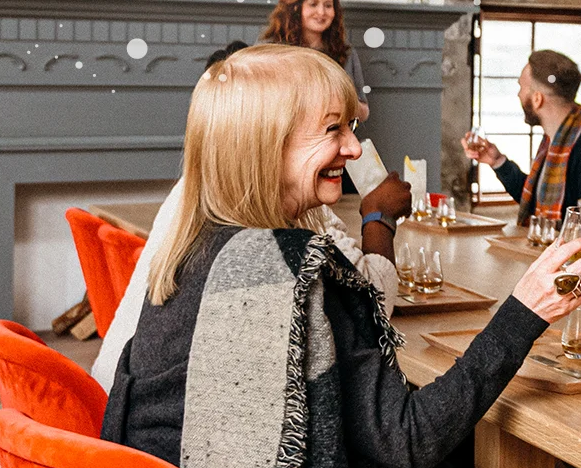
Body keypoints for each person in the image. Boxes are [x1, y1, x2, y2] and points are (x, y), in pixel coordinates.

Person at [100, 44, 581, 468]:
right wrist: (526, 308)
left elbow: (336, 418)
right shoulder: (297, 274)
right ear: (263, 146)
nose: (357, 150)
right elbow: (406, 439)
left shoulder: (195, 249)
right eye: (332, 130)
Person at [88, 41, 411, 389]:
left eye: (350, 127)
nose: (355, 148)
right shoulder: (260, 252)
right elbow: (370, 311)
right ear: (266, 137)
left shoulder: (202, 200)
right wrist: (378, 216)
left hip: (117, 415)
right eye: (333, 128)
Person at [460, 49, 581, 227]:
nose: (518, 94)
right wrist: (497, 161)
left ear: (537, 99)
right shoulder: (557, 141)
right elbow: (535, 203)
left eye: (521, 87)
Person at [263, 0, 371, 122]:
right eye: (313, 4)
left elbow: (364, 112)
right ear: (294, 8)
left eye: (328, 6)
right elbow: (260, 103)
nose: (321, 12)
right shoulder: (269, 49)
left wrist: (342, 100)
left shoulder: (345, 52)